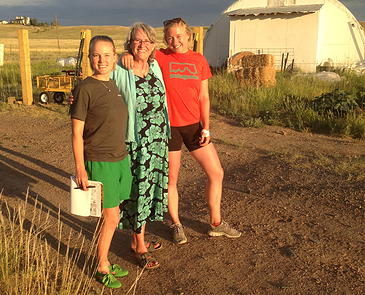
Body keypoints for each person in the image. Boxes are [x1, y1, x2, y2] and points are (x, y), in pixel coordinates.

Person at [122, 18, 241, 244]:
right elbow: (139, 52)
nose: (174, 41)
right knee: (171, 180)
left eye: (179, 36)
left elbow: (203, 96)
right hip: (169, 128)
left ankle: (216, 222)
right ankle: (175, 223)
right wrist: (124, 56)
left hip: (194, 125)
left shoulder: (199, 60)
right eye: (169, 37)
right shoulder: (161, 57)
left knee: (216, 173)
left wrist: (206, 126)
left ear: (189, 36)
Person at [71, 35, 132, 289]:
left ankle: (103, 258)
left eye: (107, 55)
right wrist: (80, 168)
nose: (102, 60)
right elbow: (76, 133)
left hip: (120, 158)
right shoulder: (85, 88)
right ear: (89, 58)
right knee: (109, 217)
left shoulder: (114, 84)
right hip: (99, 159)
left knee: (114, 213)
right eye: (96, 55)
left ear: (115, 57)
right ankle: (101, 265)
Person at [111, 23, 170, 269]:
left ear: (154, 45)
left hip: (158, 142)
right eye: (137, 41)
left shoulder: (155, 66)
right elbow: (102, 87)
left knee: (150, 191)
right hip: (137, 143)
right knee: (138, 192)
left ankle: (141, 236)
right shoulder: (120, 68)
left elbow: (163, 101)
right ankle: (139, 245)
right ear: (129, 44)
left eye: (147, 41)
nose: (142, 45)